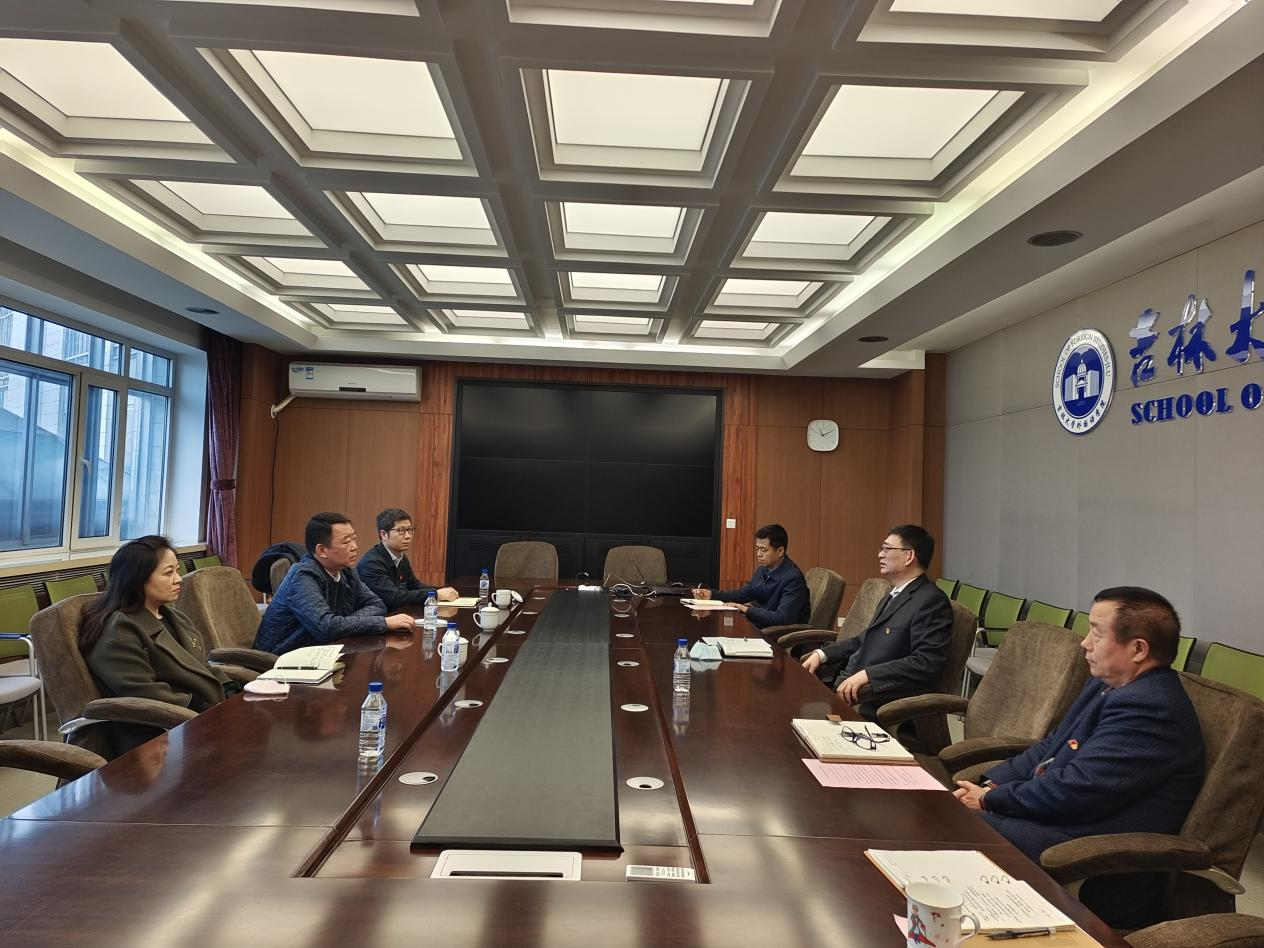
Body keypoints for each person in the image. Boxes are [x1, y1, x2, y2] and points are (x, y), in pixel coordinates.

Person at [952, 586, 1203, 930]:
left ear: (1138, 649)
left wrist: (989, 800)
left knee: (951, 829)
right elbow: (1049, 747)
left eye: (1097, 634)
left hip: (1091, 859)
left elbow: (1074, 792)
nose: (1085, 643)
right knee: (947, 815)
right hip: (1058, 824)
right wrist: (992, 784)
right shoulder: (1106, 685)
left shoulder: (1152, 708)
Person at [79, 535, 239, 755]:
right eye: (168, 573)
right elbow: (143, 693)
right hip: (160, 736)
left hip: (200, 720)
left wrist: (229, 687)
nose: (178, 579)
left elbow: (200, 665)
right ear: (137, 579)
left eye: (177, 570)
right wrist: (200, 706)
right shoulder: (119, 631)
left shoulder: (174, 617)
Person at [801, 524, 952, 718]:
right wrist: (822, 654)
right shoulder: (894, 594)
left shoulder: (931, 601)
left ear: (909, 556)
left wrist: (868, 675)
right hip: (843, 683)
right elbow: (865, 639)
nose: (880, 554)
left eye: (887, 549)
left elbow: (926, 662)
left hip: (872, 699)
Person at [254, 512, 415, 654]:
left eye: (354, 539)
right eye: (346, 542)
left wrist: (344, 623)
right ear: (321, 550)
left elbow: (377, 604)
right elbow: (327, 628)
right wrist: (383, 623)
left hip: (322, 651)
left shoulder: (346, 571)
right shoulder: (302, 577)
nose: (354, 547)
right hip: (279, 659)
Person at [692, 523, 809, 630]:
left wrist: (745, 609)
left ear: (780, 551)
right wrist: (712, 594)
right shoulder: (763, 570)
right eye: (757, 549)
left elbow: (781, 618)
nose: (758, 554)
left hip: (779, 636)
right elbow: (742, 594)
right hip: (759, 626)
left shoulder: (793, 579)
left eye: (764, 550)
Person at [357, 507, 458, 610]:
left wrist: (441, 590)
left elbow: (414, 585)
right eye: (401, 530)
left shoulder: (401, 557)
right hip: (378, 616)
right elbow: (394, 598)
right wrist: (435, 594)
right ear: (383, 535)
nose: (408, 536)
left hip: (396, 614)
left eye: (409, 530)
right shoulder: (371, 564)